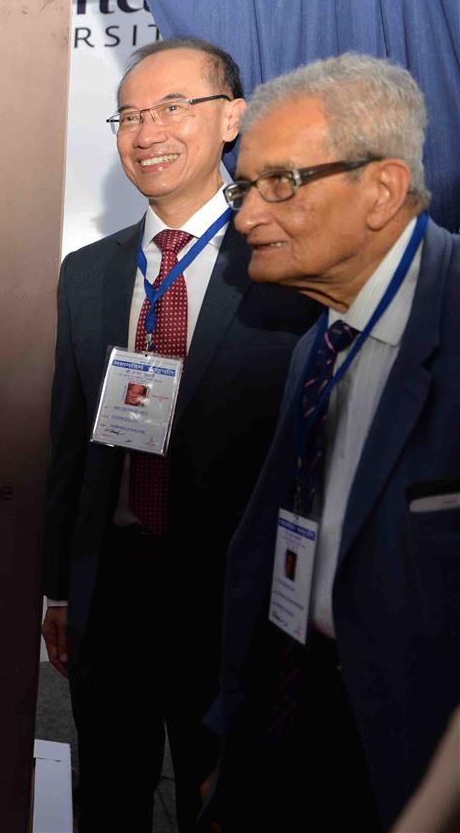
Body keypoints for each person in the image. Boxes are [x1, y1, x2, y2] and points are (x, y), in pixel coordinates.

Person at [40, 38, 318, 831]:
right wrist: (61, 586)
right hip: (114, 585)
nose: (146, 130)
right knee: (113, 789)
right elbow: (71, 442)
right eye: (129, 114)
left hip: (237, 596)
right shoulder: (87, 272)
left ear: (231, 117)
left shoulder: (288, 255)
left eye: (172, 107)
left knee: (230, 794)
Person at [208, 53, 459, 830]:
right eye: (242, 188)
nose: (246, 217)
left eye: (280, 183)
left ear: (381, 189)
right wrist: (235, 738)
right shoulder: (318, 343)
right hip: (301, 722)